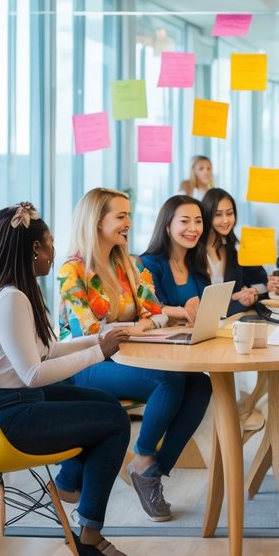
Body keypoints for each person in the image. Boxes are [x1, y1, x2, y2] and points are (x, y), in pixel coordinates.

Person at [0, 204, 135, 556]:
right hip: (8, 415)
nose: (56, 252)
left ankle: (73, 485)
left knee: (106, 406)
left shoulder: (10, 292)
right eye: (51, 243)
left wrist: (96, 339)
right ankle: (90, 536)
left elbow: (45, 350)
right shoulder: (11, 299)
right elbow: (33, 373)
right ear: (36, 249)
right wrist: (99, 353)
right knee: (115, 421)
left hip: (8, 402)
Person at [57, 187, 212, 523]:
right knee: (168, 381)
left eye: (129, 215)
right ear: (98, 221)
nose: (129, 222)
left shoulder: (130, 264)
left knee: (200, 384)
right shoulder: (73, 271)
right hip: (87, 364)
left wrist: (137, 327)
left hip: (129, 357)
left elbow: (156, 313)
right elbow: (88, 332)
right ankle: (142, 458)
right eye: (121, 215)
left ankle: (150, 468)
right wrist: (134, 326)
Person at [139, 195, 209, 325]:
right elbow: (149, 308)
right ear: (167, 226)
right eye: (184, 221)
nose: (193, 228)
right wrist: (183, 311)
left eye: (198, 221)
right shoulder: (148, 265)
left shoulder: (197, 261)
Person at [200, 188, 268, 316]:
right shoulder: (195, 251)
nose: (226, 220)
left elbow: (264, 284)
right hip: (201, 319)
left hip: (232, 320)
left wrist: (252, 292)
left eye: (230, 213)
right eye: (218, 214)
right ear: (207, 215)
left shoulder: (238, 249)